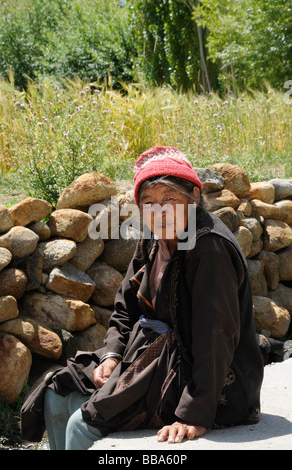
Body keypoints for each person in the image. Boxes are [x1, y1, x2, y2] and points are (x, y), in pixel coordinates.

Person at [21, 146, 264, 450]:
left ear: (194, 198)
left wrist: (195, 414)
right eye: (148, 202)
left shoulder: (209, 249)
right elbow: (126, 307)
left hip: (206, 382)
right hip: (151, 356)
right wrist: (111, 356)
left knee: (81, 426)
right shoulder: (153, 236)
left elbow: (216, 337)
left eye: (170, 199)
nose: (159, 211)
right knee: (57, 393)